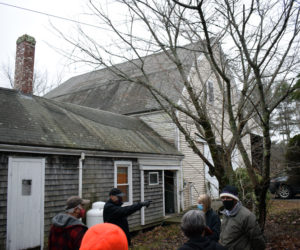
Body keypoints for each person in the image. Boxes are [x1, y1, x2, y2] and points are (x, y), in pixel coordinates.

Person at [219, 185, 266, 250]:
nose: (225, 200)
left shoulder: (247, 216)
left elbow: (257, 239)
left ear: (235, 199)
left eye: (228, 198)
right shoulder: (225, 214)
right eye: (223, 198)